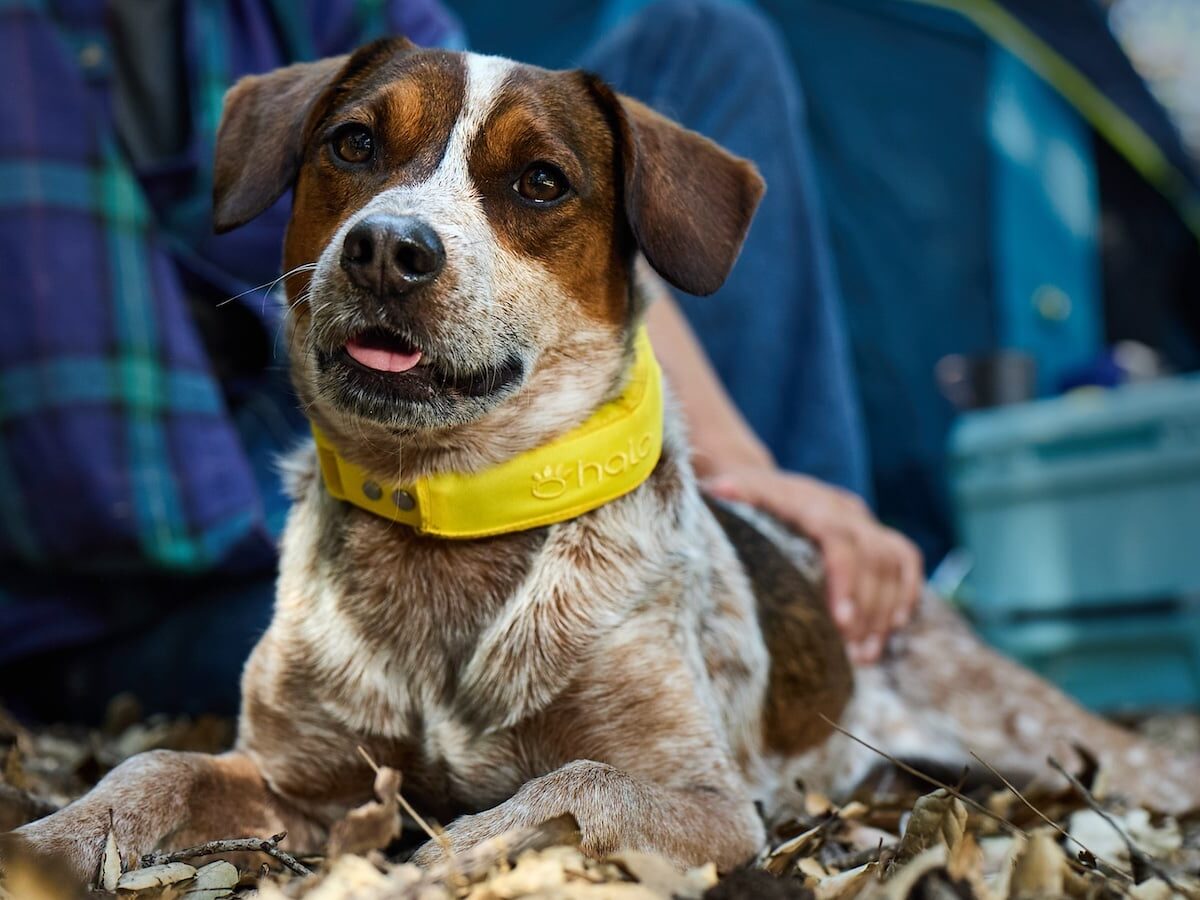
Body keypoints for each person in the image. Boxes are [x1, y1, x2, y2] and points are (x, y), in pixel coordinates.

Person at [0, 0, 918, 721]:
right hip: (147, 579)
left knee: (709, 43)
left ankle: (823, 603)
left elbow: (477, 132)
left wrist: (742, 470)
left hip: (358, 391)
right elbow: (96, 495)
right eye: (357, 146)